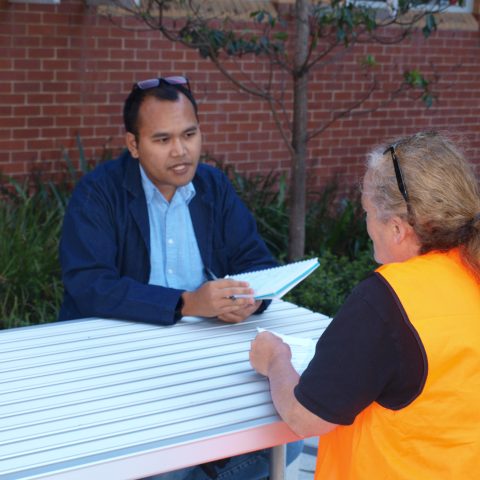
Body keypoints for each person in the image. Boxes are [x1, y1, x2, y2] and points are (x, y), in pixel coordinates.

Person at [59, 76, 302, 479]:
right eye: (162, 139)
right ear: (133, 145)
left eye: (189, 134)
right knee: (164, 467)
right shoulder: (98, 193)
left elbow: (254, 259)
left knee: (284, 445)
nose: (181, 151)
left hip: (202, 353)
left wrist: (252, 297)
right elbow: (89, 285)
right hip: (119, 359)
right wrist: (187, 303)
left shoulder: (212, 186)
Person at [250, 131, 480, 479]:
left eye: (368, 212)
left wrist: (275, 359)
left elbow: (305, 417)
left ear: (398, 228)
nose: (367, 224)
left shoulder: (387, 301)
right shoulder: (471, 270)